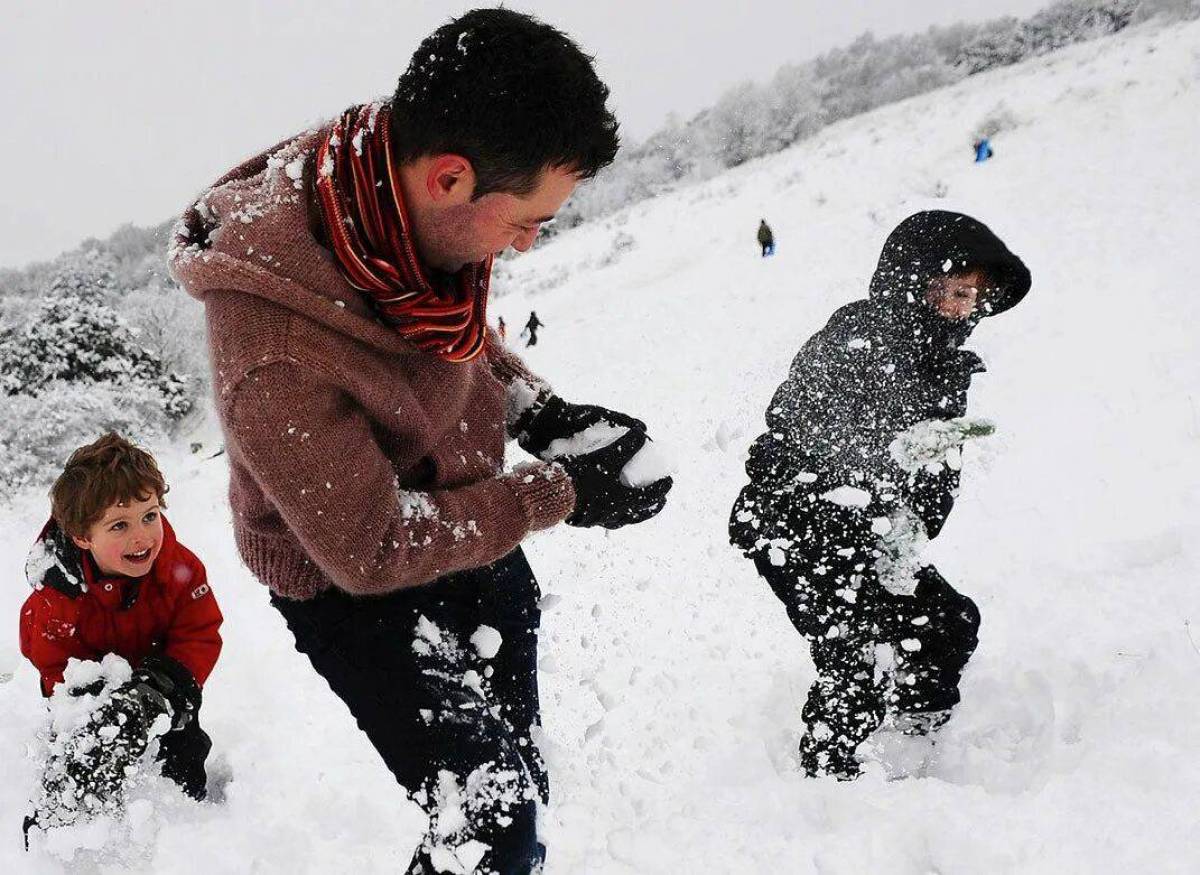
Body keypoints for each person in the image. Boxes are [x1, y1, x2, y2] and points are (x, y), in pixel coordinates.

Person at [169, 9, 672, 873]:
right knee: (493, 823)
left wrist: (540, 412)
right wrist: (561, 492)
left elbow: (447, 339)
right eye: (525, 222)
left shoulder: (389, 199)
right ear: (449, 178)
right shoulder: (271, 342)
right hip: (351, 584)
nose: (527, 242)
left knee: (521, 781)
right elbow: (368, 547)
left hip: (470, 525)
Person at [729, 210, 1030, 780]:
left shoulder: (945, 366)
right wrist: (879, 467)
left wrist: (917, 494)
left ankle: (912, 744)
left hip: (873, 534)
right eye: (958, 291)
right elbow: (800, 423)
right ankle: (827, 790)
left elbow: (931, 494)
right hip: (795, 524)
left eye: (975, 297)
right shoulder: (862, 334)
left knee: (946, 622)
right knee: (857, 659)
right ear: (917, 280)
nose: (968, 308)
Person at [20, 433, 222, 834]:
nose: (142, 537)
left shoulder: (180, 570)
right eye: (119, 525)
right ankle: (67, 827)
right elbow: (51, 659)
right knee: (89, 749)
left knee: (184, 750)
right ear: (82, 537)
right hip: (87, 687)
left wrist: (164, 685)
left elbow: (200, 631)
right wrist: (94, 701)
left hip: (162, 681)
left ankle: (195, 830)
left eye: (149, 516)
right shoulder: (58, 595)